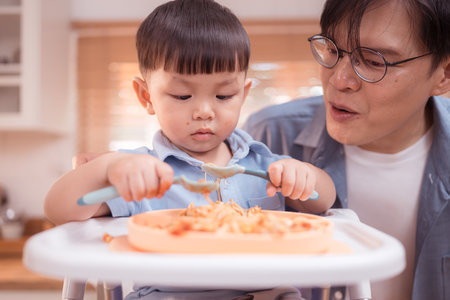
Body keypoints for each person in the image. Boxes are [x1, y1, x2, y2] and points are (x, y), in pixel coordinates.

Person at [45, 0, 336, 299]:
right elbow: (58, 209)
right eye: (183, 96)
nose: (204, 111)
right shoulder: (138, 171)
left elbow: (325, 200)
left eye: (224, 95)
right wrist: (108, 168)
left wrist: (304, 177)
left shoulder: (264, 164)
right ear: (146, 96)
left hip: (267, 292)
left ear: (243, 94)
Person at [244, 0, 450, 299]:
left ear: (444, 73)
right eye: (331, 50)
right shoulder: (270, 137)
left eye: (374, 61)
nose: (339, 80)